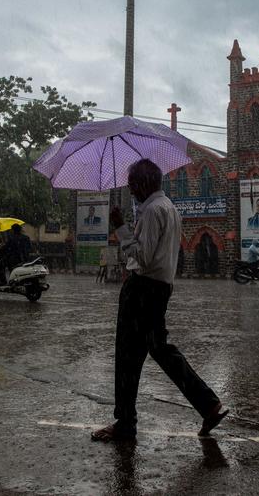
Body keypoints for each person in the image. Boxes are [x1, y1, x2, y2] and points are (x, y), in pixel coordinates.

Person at [91, 158, 228, 442]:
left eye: (132, 185)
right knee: (161, 350)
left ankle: (126, 424)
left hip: (142, 289)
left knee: (128, 357)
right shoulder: (168, 208)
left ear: (144, 183)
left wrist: (120, 228)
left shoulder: (153, 211)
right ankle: (208, 404)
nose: (131, 191)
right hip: (159, 288)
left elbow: (141, 257)